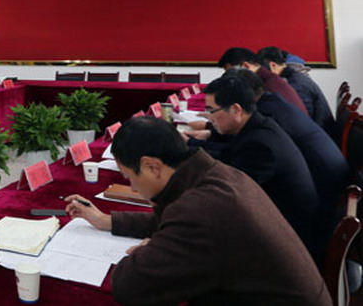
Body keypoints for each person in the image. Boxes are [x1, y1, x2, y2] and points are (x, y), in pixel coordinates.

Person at [65, 117, 330, 306]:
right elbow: (172, 221)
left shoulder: (201, 209)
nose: (132, 186)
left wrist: (150, 248)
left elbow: (128, 287)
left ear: (152, 166)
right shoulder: (216, 174)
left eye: (129, 176)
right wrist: (107, 221)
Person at [201, 72, 320, 257]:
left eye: (211, 110)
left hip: (287, 244)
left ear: (236, 109)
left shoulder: (260, 145)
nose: (209, 117)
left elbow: (229, 194)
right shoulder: (257, 127)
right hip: (280, 225)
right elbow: (227, 160)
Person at [257, 46, 337, 135]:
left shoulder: (296, 85)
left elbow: (301, 119)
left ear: (273, 65)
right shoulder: (296, 77)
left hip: (320, 135)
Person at [217, 47, 306, 115]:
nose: (231, 77)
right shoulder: (268, 78)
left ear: (246, 66)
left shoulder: (266, 85)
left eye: (231, 72)